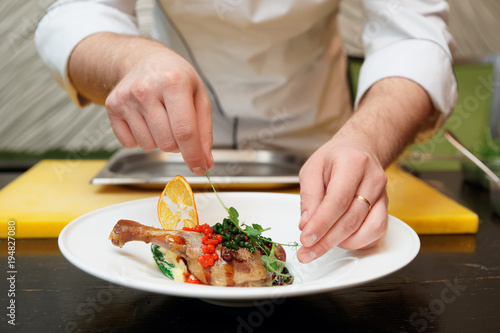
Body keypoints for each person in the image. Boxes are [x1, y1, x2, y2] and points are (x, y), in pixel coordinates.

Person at [35, 0, 457, 264]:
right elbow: (75, 16)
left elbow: (413, 38)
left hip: (323, 156)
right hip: (171, 158)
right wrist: (130, 59)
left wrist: (366, 139)